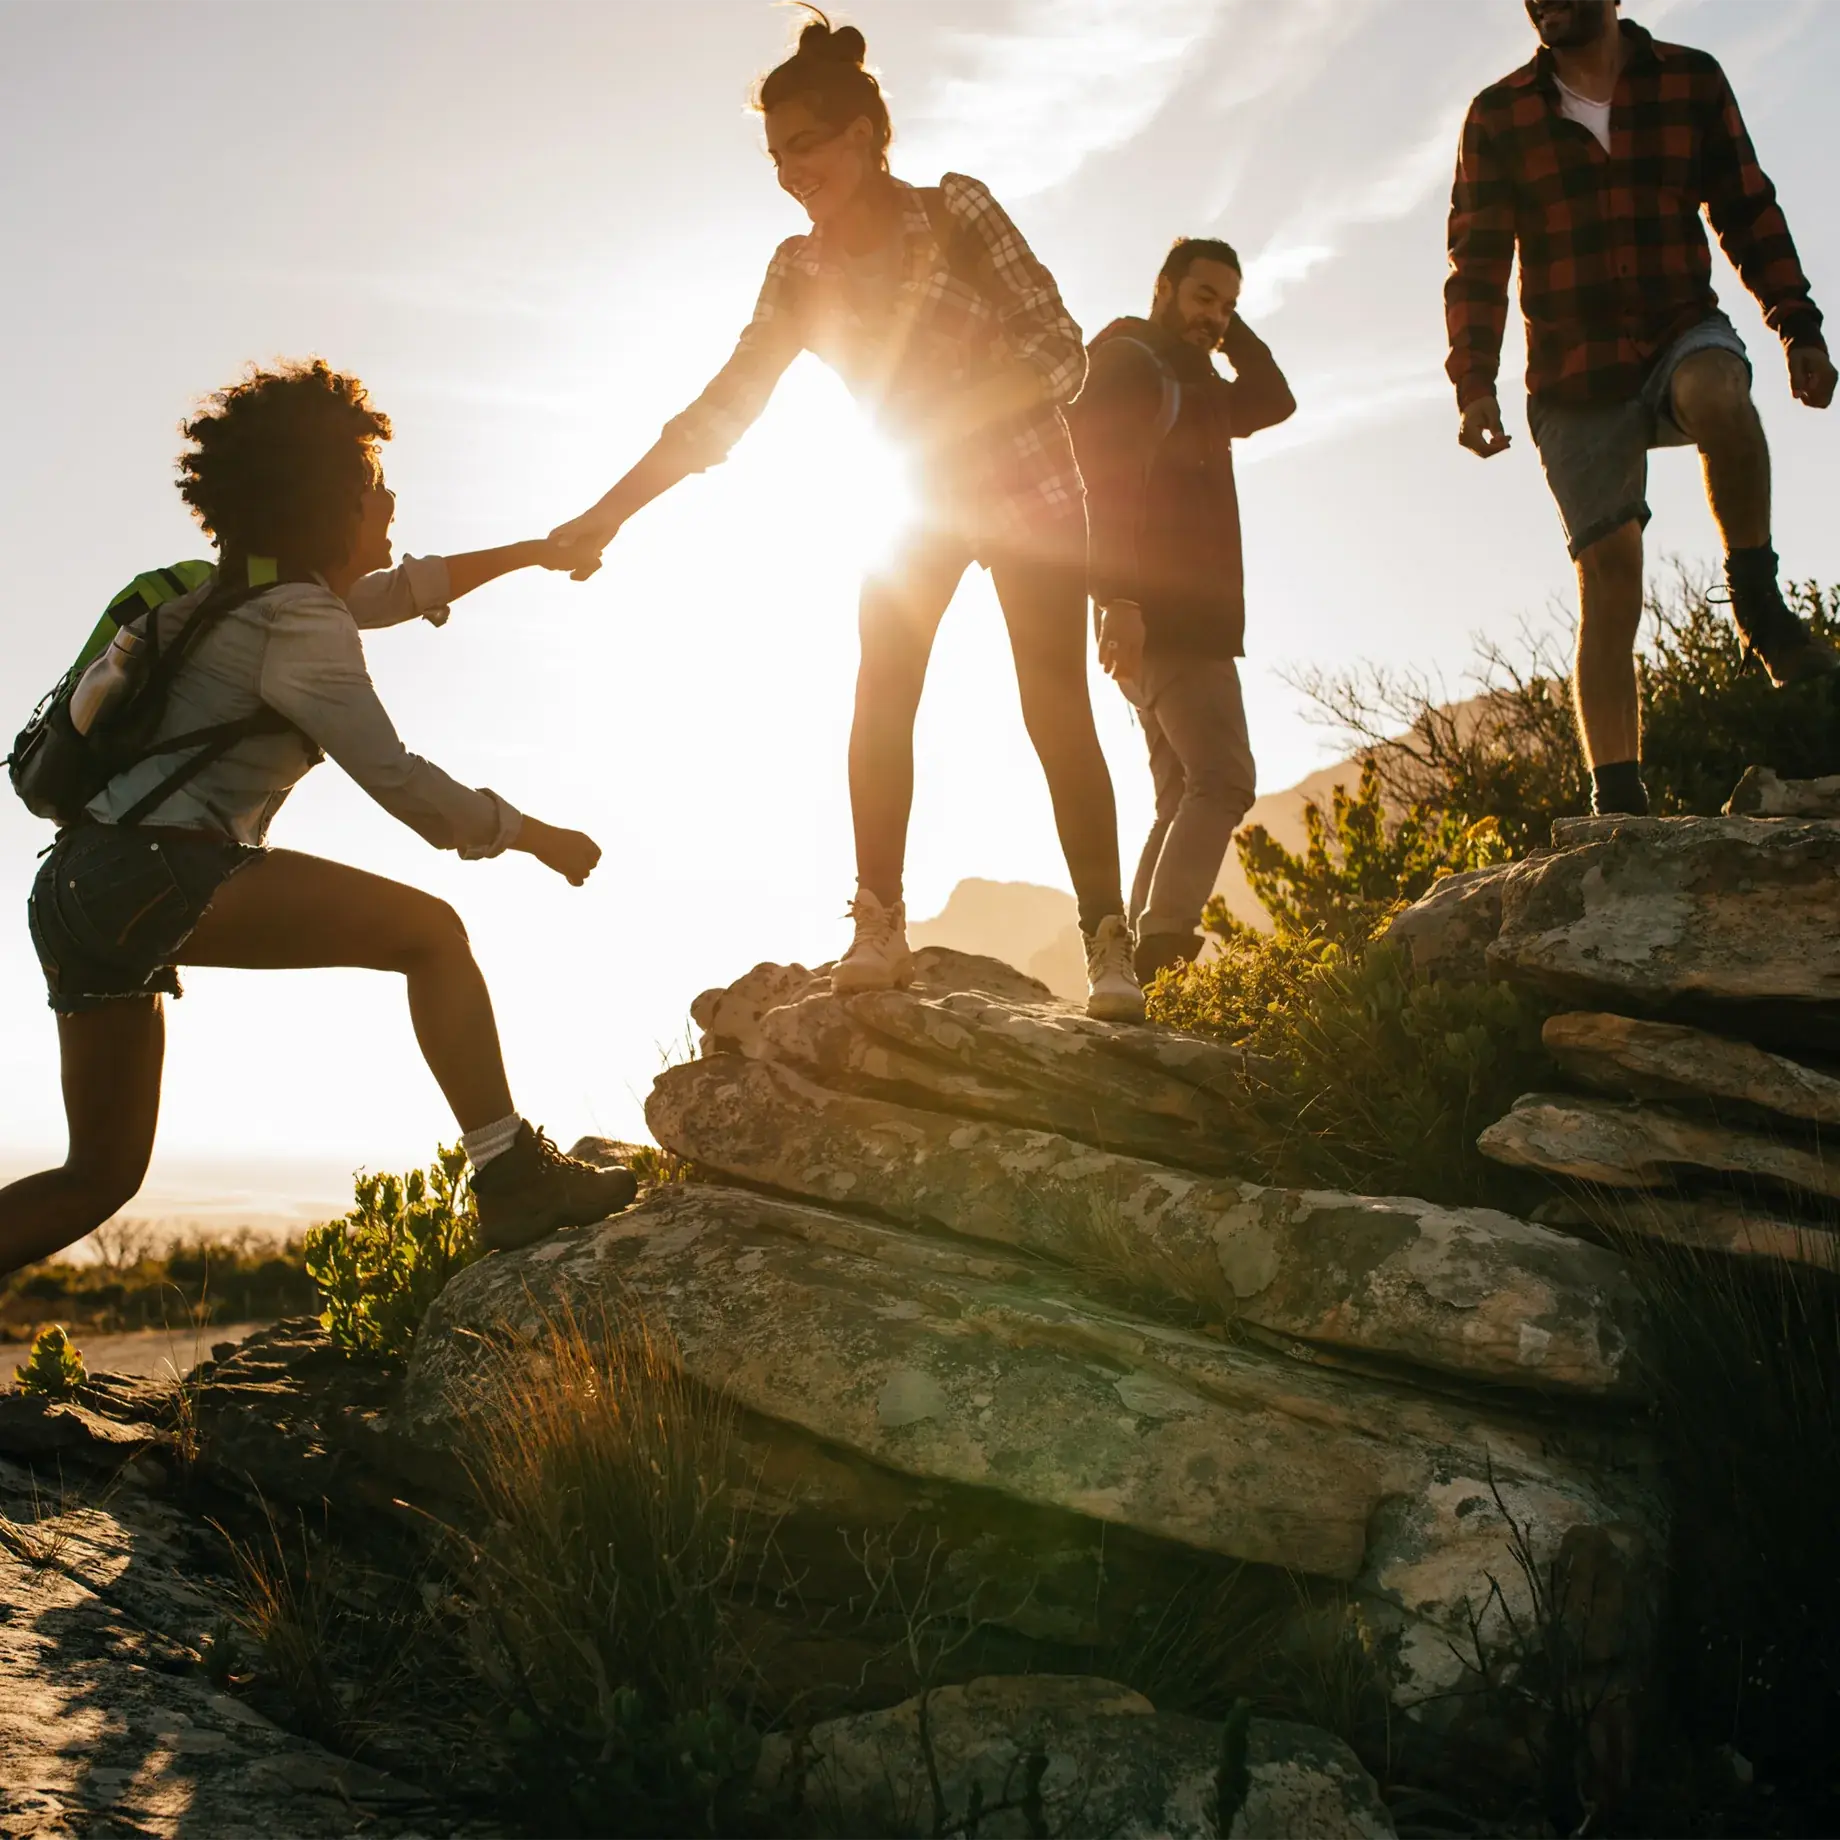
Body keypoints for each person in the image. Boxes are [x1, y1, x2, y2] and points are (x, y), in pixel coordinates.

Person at [548, 11, 1145, 1022]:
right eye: (776, 153)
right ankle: (879, 922)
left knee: (1052, 705)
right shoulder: (799, 270)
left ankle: (1107, 940)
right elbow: (721, 409)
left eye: (807, 145)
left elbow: (1060, 346)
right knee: (882, 693)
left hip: (1026, 487)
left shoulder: (958, 211)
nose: (789, 169)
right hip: (909, 497)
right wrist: (609, 514)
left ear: (866, 135)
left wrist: (971, 409)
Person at [0, 358, 637, 1279]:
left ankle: (511, 1175)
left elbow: (400, 591)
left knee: (96, 1176)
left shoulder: (228, 592)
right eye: (374, 484)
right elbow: (400, 782)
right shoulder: (299, 619)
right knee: (432, 933)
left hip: (73, 889)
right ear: (332, 501)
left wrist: (536, 551)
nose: (389, 500)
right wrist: (534, 836)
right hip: (154, 874)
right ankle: (512, 1176)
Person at [1448, 0, 1838, 819]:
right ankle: (1619, 802)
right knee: (1611, 578)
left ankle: (1757, 601)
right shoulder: (1500, 115)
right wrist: (1474, 381)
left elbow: (1747, 208)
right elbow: (1477, 260)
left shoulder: (1690, 80)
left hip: (1676, 329)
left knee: (1717, 393)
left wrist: (1795, 324)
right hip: (1572, 375)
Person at [1070, 238, 1295, 985]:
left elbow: (1274, 400)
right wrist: (1122, 600)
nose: (1215, 316)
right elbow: (1105, 486)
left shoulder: (1195, 380)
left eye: (1228, 304)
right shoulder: (1135, 364)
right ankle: (1162, 948)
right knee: (1225, 778)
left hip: (1170, 615)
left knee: (1180, 794)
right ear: (1164, 287)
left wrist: (1231, 333)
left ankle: (1132, 964)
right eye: (1204, 297)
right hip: (1163, 612)